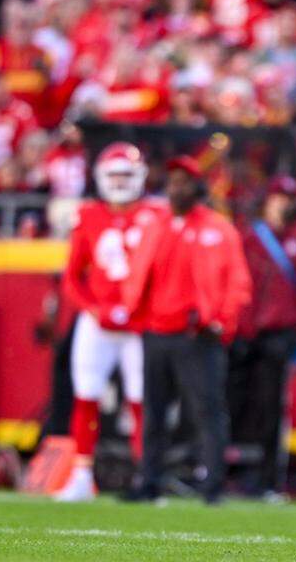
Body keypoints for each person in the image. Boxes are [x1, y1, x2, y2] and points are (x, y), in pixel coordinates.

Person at [123, 155, 252, 504]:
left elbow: (237, 282)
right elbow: (136, 274)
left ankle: (212, 486)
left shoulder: (218, 229)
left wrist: (221, 322)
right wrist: (135, 313)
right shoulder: (156, 225)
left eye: (184, 182)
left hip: (197, 334)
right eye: (173, 181)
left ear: (198, 187)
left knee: (206, 412)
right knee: (153, 412)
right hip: (157, 331)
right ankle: (148, 481)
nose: (177, 188)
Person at [54, 142, 167, 502]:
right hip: (98, 321)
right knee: (86, 395)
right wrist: (94, 309)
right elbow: (72, 277)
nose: (119, 182)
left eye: (125, 175)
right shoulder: (88, 215)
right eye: (113, 175)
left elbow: (165, 274)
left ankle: (145, 478)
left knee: (141, 401)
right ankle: (82, 475)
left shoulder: (156, 214)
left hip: (140, 323)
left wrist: (146, 310)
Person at [231, 176, 296, 500]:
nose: (284, 203)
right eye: (279, 196)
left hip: (279, 334)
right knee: (234, 404)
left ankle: (268, 479)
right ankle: (224, 473)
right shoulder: (249, 238)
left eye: (289, 197)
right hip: (245, 335)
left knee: (272, 409)